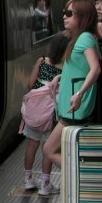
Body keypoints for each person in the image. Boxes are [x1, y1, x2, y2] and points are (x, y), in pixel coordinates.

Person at [39, 0, 101, 196]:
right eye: (64, 12)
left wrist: (80, 94)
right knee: (64, 150)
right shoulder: (80, 38)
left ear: (82, 17)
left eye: (69, 13)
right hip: (71, 105)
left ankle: (80, 177)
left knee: (49, 149)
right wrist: (60, 76)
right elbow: (79, 67)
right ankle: (70, 195)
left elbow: (95, 69)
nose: (64, 17)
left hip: (75, 107)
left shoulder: (84, 39)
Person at [20, 32, 69, 190]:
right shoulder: (66, 66)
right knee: (48, 148)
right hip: (52, 114)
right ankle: (45, 184)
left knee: (31, 145)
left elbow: (30, 84)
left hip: (35, 112)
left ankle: (28, 180)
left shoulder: (41, 61)